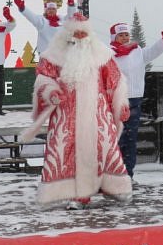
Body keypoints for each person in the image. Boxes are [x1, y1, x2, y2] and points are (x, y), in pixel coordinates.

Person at [21, 12, 132, 209]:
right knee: (67, 156)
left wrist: (121, 104)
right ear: (67, 35)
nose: (80, 37)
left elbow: (116, 81)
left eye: (84, 33)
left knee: (103, 152)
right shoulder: (53, 56)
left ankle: (113, 188)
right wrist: (51, 92)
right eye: (76, 34)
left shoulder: (101, 55)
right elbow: (43, 80)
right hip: (66, 118)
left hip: (97, 118)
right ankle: (76, 196)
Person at [110, 21, 163, 178]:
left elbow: (153, 52)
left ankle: (128, 175)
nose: (125, 38)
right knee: (117, 140)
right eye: (121, 35)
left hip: (134, 100)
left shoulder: (138, 51)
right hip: (116, 101)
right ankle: (114, 175)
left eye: (127, 34)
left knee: (131, 140)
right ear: (114, 37)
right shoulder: (109, 53)